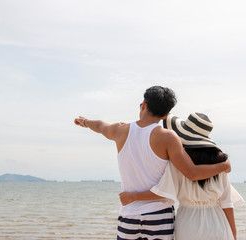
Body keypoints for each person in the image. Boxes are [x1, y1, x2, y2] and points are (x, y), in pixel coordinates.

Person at [74, 86, 231, 240]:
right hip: (159, 217)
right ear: (165, 115)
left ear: (144, 104)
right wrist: (223, 166)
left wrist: (85, 122)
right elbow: (192, 173)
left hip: (129, 215)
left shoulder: (119, 130)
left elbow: (101, 125)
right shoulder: (168, 137)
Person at [119, 113, 244, 240]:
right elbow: (226, 203)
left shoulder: (178, 161)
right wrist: (234, 234)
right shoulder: (220, 162)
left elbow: (163, 192)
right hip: (217, 223)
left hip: (188, 223)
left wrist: (132, 196)